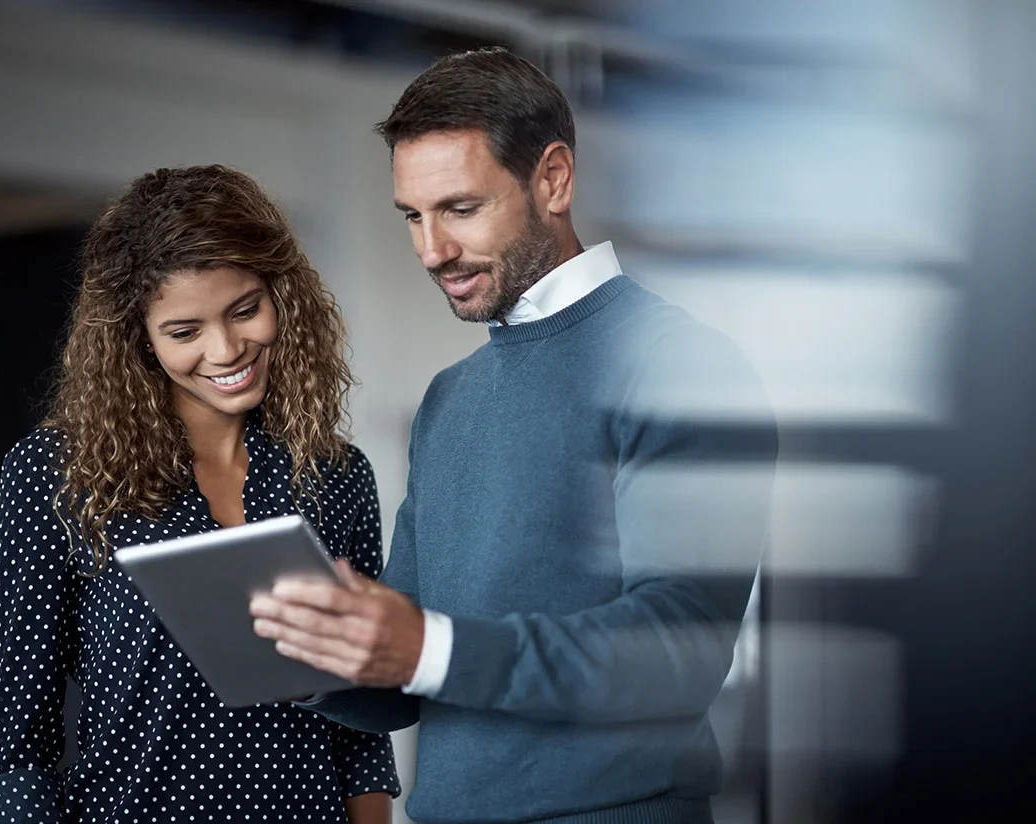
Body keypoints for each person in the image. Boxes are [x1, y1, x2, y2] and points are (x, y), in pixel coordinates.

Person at [250, 48, 777, 824]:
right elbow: (411, 653)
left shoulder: (679, 364)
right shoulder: (450, 399)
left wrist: (430, 648)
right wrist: (322, 659)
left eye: (460, 209)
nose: (433, 250)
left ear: (554, 179)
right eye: (412, 217)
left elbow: (678, 653)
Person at [0, 165, 399, 824]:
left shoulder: (338, 475)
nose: (227, 349)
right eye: (184, 332)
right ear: (137, 339)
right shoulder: (56, 473)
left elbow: (361, 731)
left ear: (282, 295)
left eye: (245, 310)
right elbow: (15, 751)